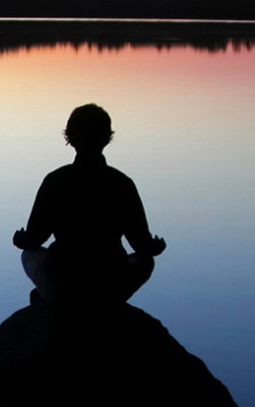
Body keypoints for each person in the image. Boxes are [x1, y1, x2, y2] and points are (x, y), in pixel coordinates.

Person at [13, 103, 166, 305]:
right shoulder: (122, 183)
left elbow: (35, 238)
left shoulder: (55, 181)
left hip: (63, 282)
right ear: (107, 138)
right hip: (109, 282)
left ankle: (50, 296)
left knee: (29, 254)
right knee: (145, 262)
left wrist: (21, 240)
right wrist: (155, 247)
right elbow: (141, 245)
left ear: (70, 137)